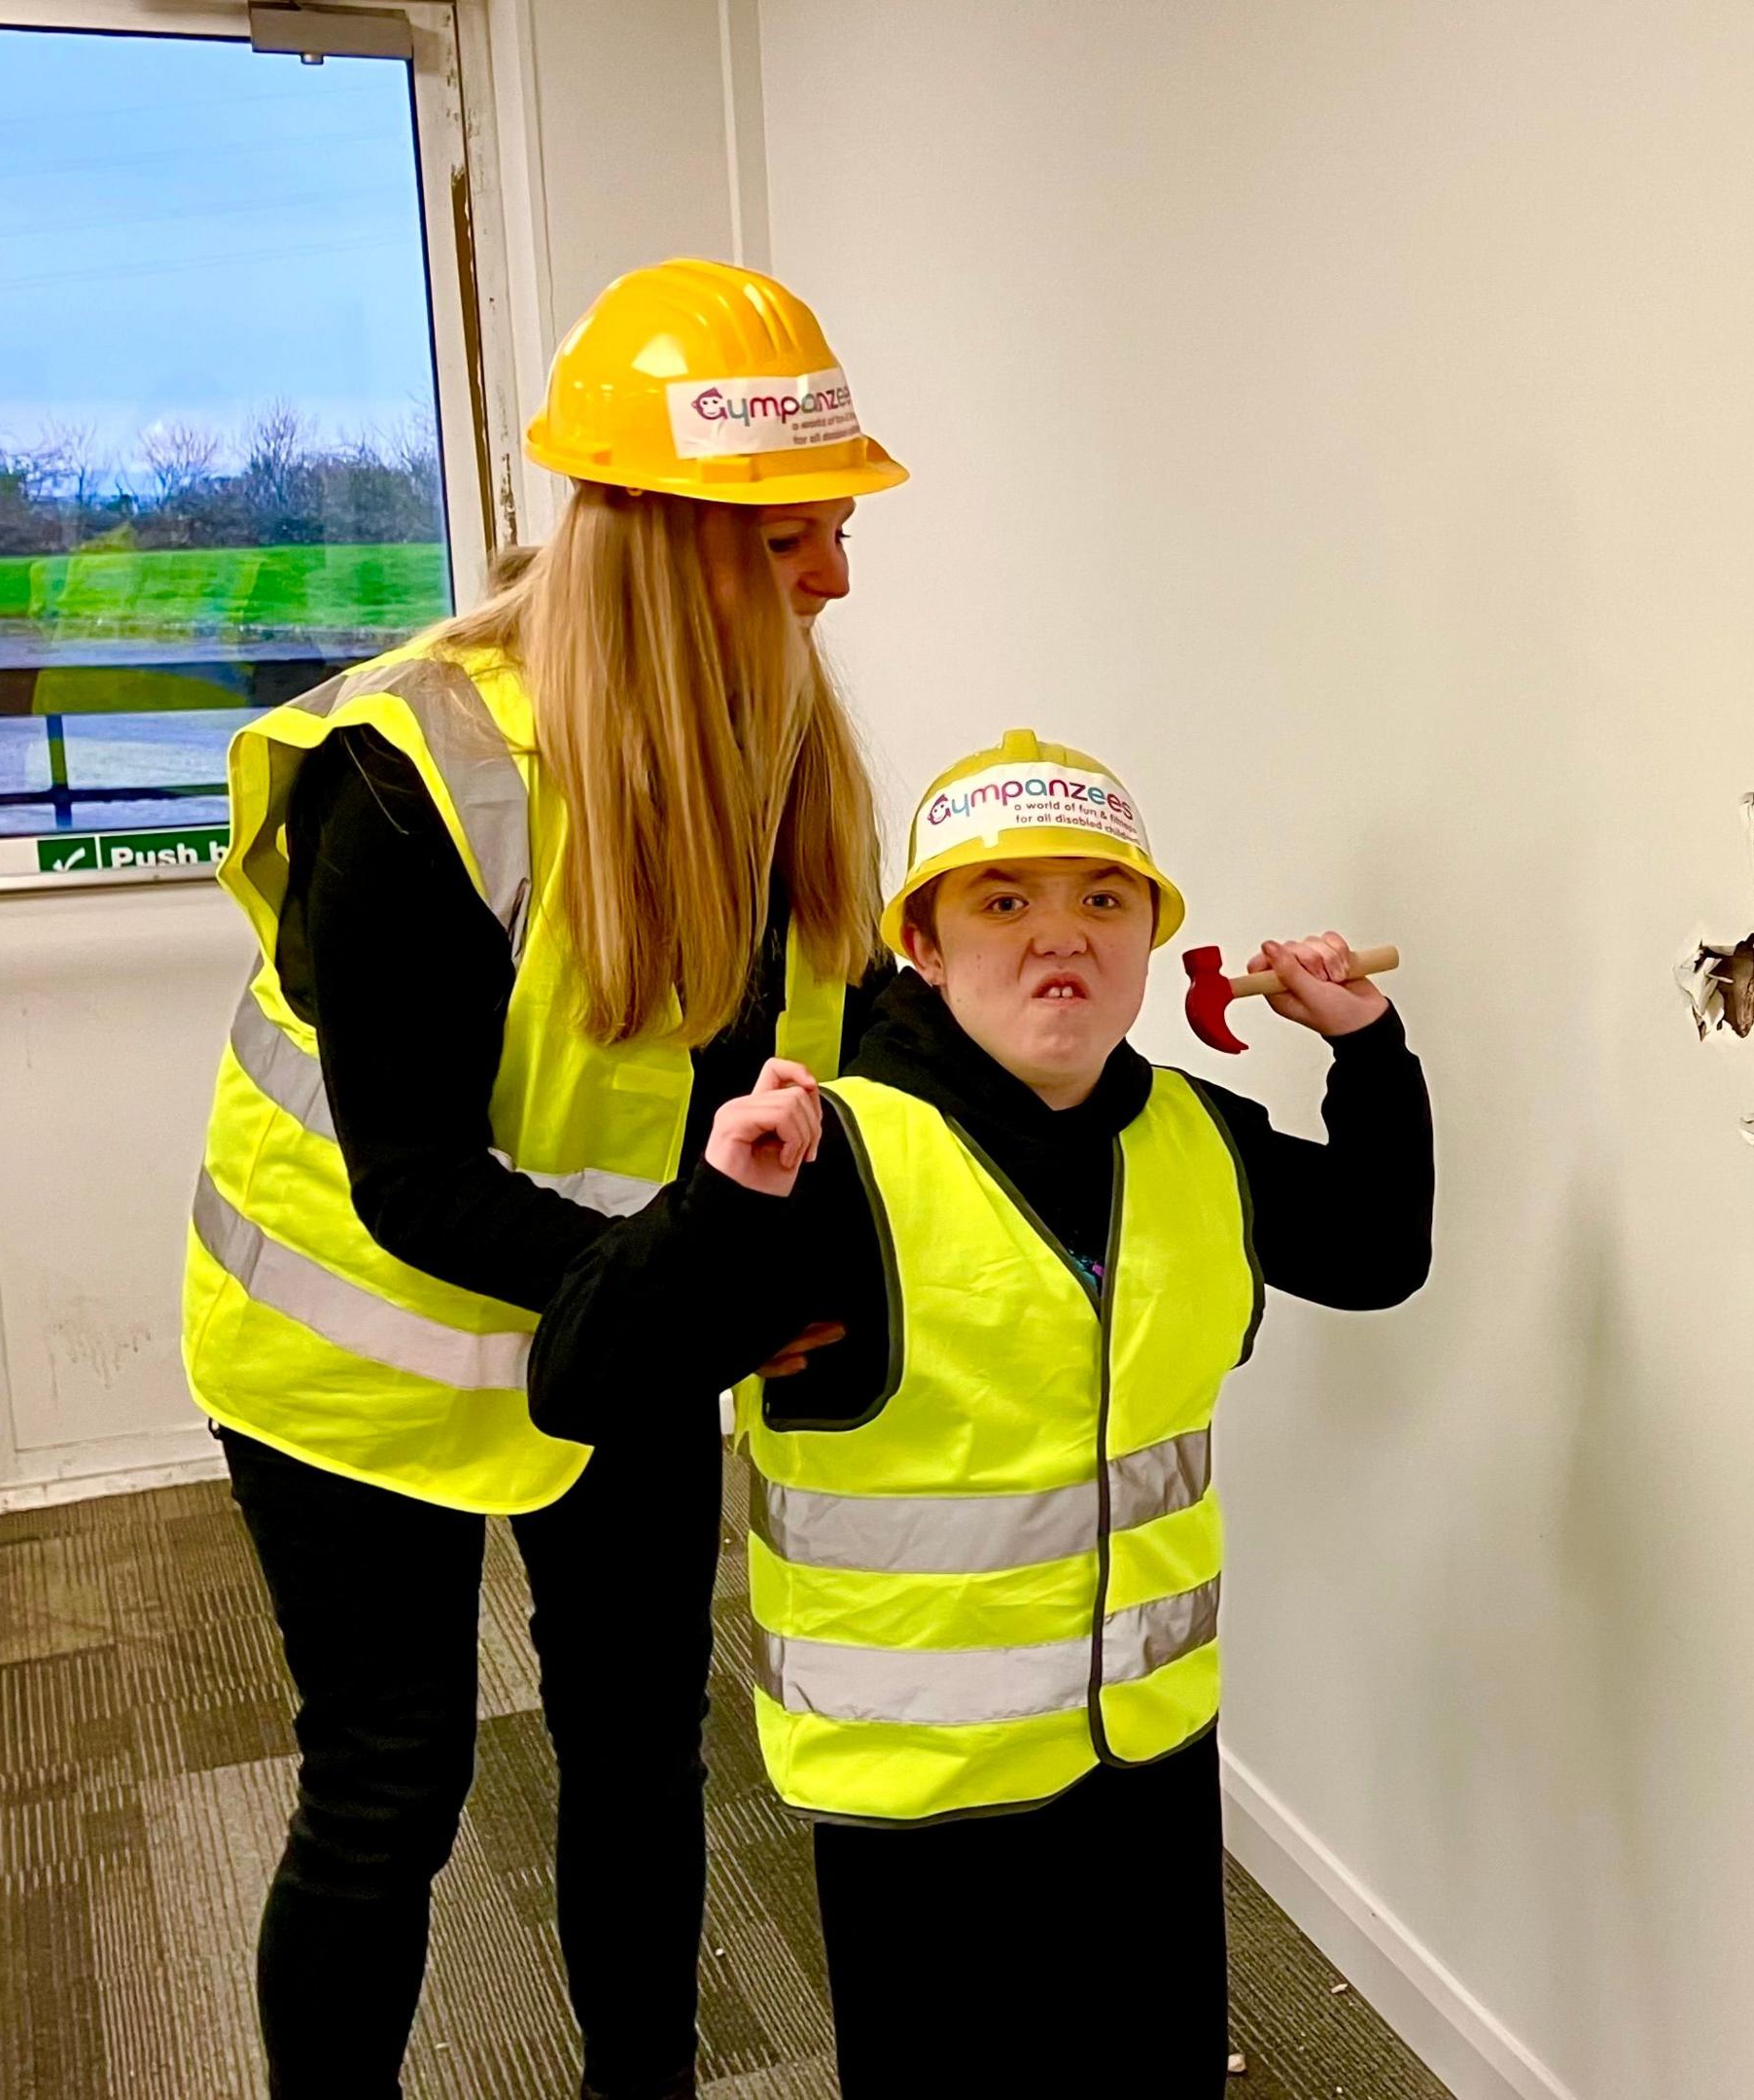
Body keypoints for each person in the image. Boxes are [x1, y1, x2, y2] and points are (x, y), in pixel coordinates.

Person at [180, 259, 904, 2099]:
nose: (836, 577)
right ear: (663, 542)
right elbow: (411, 1176)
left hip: (624, 1331)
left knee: (639, 1757)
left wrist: (1074, 1056)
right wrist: (692, 1287)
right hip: (358, 1361)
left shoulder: (779, 746)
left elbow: (836, 1038)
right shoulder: (414, 766)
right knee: (391, 1786)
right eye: (792, 540)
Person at [527, 730, 1436, 2095]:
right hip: (921, 1797)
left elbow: (1377, 1253)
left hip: (1144, 1761)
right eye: (1004, 902)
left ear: (1148, 945)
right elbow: (580, 1382)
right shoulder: (832, 1160)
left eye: (1103, 901)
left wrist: (1368, 1049)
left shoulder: (1199, 1138)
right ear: (927, 949)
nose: (1060, 936)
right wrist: (718, 1214)